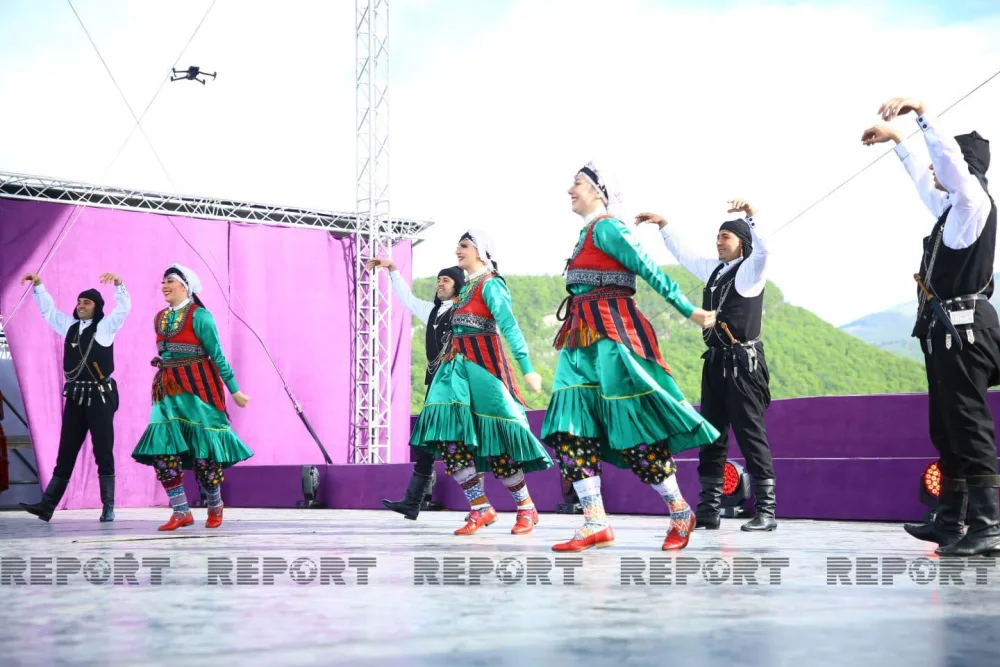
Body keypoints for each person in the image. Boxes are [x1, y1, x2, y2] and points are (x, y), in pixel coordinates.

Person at [541, 161, 720, 553]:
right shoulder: (586, 232)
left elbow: (650, 268)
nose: (569, 190)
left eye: (576, 184)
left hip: (612, 334)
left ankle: (678, 511)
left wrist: (689, 310)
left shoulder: (608, 227)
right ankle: (594, 522)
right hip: (578, 340)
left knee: (633, 428)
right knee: (571, 429)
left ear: (598, 191)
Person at [862, 96, 998, 557]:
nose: (939, 173)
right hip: (946, 331)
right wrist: (899, 140)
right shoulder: (952, 213)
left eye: (950, 164)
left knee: (969, 423)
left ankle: (988, 524)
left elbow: (948, 166)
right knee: (947, 426)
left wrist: (922, 112)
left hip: (966, 329)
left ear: (964, 167)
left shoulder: (973, 202)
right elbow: (926, 178)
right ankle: (951, 520)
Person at [635, 199, 777, 532]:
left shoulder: (750, 273)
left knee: (750, 434)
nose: (718, 241)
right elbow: (685, 255)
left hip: (743, 365)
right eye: (718, 236)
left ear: (741, 242)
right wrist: (664, 225)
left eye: (725, 236)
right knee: (711, 436)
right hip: (714, 362)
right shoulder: (715, 271)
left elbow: (764, 253)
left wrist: (753, 217)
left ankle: (767, 512)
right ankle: (709, 510)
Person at [408, 230, 552, 535]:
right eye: (457, 245)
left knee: (497, 443)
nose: (457, 250)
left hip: (484, 370)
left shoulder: (490, 285)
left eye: (464, 246)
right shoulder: (465, 290)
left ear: (481, 252)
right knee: (448, 438)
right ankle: (480, 507)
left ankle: (526, 507)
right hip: (455, 372)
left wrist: (527, 368)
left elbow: (509, 326)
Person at [130, 264, 252, 531]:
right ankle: (180, 511)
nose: (164, 285)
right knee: (163, 451)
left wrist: (234, 390)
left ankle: (215, 505)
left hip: (199, 390)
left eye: (170, 281)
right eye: (163, 281)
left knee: (203, 454)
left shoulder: (201, 317)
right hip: (167, 391)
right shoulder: (159, 317)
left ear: (185, 286)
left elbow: (216, 355)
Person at [18, 271, 130, 522]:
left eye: (87, 302)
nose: (81, 305)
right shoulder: (69, 327)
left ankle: (108, 507)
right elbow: (49, 312)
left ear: (97, 308)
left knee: (103, 451)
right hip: (76, 397)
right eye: (79, 301)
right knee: (66, 451)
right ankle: (47, 506)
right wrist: (39, 286)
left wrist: (119, 285)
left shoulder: (105, 328)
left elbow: (123, 310)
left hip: (100, 398)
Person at [366, 257, 466, 519]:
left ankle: (487, 506)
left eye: (446, 280)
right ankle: (412, 502)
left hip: (457, 388)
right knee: (425, 445)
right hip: (435, 386)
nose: (439, 284)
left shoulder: (465, 312)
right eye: (438, 280)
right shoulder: (432, 311)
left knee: (459, 446)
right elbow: (407, 299)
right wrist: (392, 270)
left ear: (458, 285)